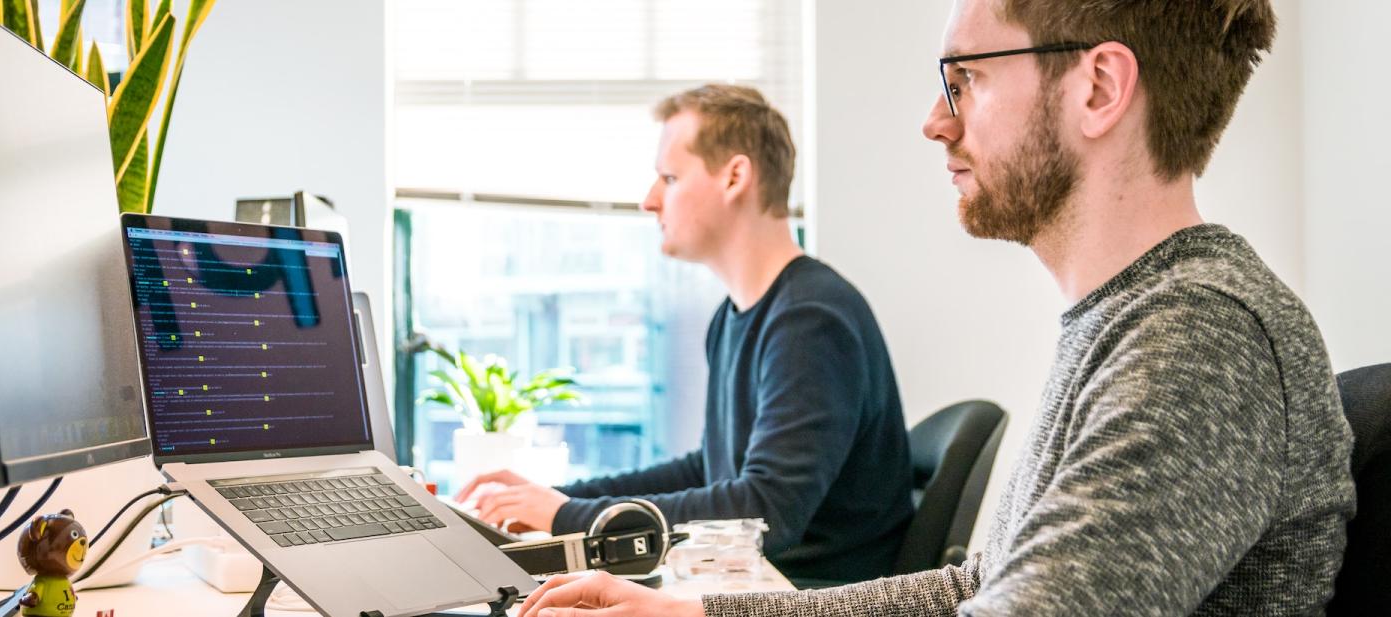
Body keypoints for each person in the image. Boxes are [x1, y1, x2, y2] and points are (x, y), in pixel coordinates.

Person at [517, 0, 1357, 615]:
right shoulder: (1129, 319)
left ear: (1098, 87)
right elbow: (977, 584)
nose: (933, 121)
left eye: (965, 82)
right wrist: (696, 613)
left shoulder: (1199, 338)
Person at [456, 84, 916, 584]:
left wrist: (567, 517)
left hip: (809, 594)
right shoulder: (737, 316)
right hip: (759, 583)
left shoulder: (811, 320)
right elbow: (710, 470)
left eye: (670, 178)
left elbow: (765, 512)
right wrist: (563, 499)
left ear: (735, 177)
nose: (649, 201)